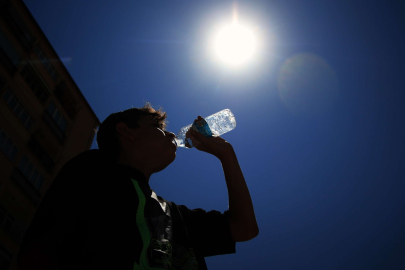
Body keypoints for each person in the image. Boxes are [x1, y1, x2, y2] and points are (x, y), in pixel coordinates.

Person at [17, 103, 259, 269]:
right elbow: (43, 250)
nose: (172, 134)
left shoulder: (173, 216)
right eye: (159, 128)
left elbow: (244, 229)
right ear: (126, 132)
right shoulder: (95, 170)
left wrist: (226, 155)